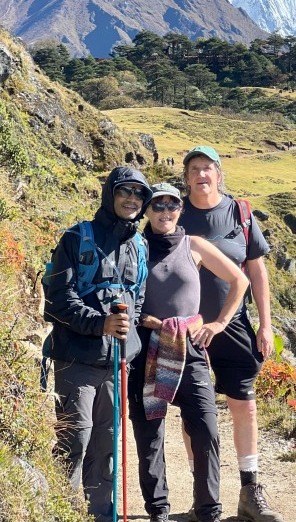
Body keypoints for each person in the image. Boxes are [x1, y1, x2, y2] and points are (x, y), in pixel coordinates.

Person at [129, 182, 250, 522]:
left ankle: (208, 510)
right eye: (157, 205)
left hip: (190, 345)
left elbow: (239, 281)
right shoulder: (135, 247)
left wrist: (219, 323)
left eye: (171, 205)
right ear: (146, 210)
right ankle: (158, 510)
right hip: (146, 345)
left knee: (205, 427)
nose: (165, 212)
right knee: (149, 432)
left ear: (180, 210)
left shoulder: (193, 245)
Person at [43, 166, 153, 522]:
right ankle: (62, 512)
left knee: (106, 444)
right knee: (75, 439)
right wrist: (100, 323)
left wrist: (127, 336)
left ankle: (101, 515)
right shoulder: (77, 237)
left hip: (117, 363)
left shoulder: (139, 246)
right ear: (110, 194)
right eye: (125, 191)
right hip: (76, 359)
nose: (132, 199)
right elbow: (57, 300)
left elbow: (138, 298)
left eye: (139, 194)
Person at [180, 146, 283, 522]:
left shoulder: (240, 213)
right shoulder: (174, 213)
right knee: (193, 412)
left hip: (234, 323)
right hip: (187, 327)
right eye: (194, 169)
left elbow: (257, 272)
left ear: (219, 174)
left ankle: (250, 491)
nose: (201, 175)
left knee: (245, 406)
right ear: (186, 178)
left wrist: (265, 325)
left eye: (207, 168)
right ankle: (202, 494)